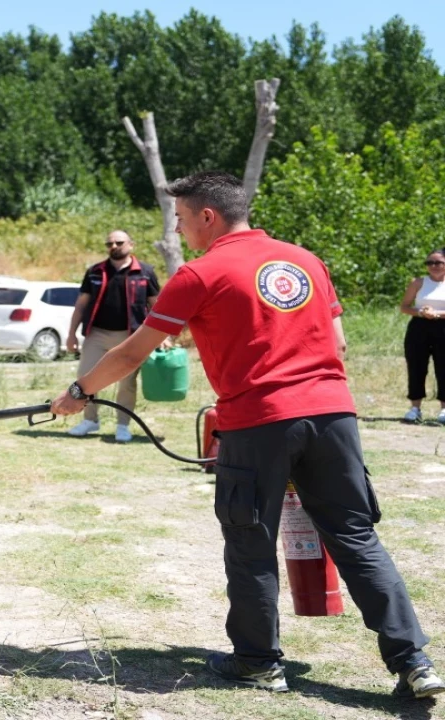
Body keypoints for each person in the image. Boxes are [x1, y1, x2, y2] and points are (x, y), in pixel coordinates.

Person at [50, 171, 444, 698]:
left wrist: (79, 389)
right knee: (355, 535)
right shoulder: (306, 260)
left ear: (208, 216)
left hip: (258, 422)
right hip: (334, 415)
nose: (180, 228)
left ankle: (259, 663)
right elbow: (340, 345)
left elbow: (132, 352)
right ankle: (414, 661)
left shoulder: (199, 274)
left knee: (250, 540)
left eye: (183, 218)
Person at [65, 230, 162, 442]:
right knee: (85, 379)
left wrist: (163, 336)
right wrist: (71, 334)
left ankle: (123, 425)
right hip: (97, 334)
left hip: (130, 337)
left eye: (119, 242)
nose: (114, 247)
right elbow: (81, 305)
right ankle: (90, 420)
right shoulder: (95, 272)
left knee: (127, 383)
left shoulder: (145, 272)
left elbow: (156, 306)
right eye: (110, 244)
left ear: (131, 244)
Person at [399, 248, 445, 422]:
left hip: (443, 327)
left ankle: (443, 409)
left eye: (438, 262)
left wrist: (438, 314)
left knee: (443, 366)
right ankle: (415, 407)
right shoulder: (418, 282)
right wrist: (421, 312)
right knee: (417, 365)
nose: (434, 266)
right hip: (420, 327)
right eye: (430, 263)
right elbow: (404, 306)